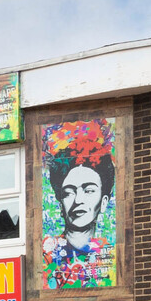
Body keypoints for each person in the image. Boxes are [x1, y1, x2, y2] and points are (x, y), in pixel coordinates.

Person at [42, 119, 117, 288]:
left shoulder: (111, 255)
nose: (78, 200)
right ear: (60, 202)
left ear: (104, 202)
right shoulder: (46, 256)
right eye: (69, 192)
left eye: (89, 190)